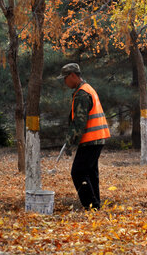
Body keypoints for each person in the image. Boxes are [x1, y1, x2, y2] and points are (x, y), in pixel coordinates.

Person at [58, 63, 110, 210]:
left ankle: (91, 205)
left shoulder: (82, 93)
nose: (64, 82)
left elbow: (79, 123)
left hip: (91, 139)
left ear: (73, 75)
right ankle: (95, 205)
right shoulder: (88, 88)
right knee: (90, 173)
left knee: (78, 172)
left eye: (65, 78)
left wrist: (69, 143)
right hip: (97, 138)